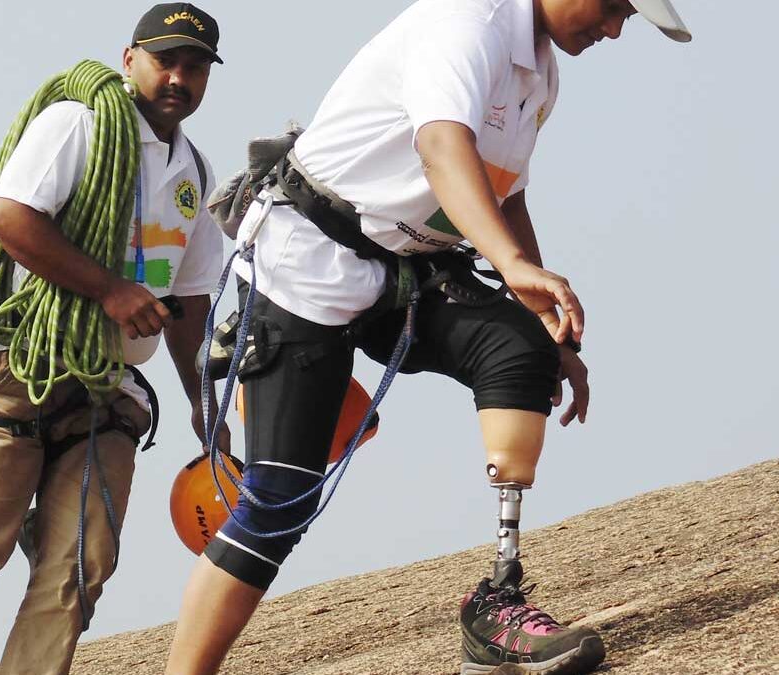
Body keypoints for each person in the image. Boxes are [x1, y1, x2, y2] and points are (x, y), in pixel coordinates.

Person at [166, 1, 691, 674]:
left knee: (520, 348)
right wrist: (515, 268)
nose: (616, 27)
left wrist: (541, 319)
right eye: (615, 5)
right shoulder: (465, 27)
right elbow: (442, 150)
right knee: (279, 501)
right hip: (307, 266)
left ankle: (497, 606)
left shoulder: (541, 75)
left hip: (403, 277)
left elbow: (503, 197)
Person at [0, 4, 228, 674]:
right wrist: (110, 290)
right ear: (130, 60)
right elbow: (8, 218)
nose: (178, 76)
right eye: (165, 60)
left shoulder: (194, 174)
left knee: (81, 566)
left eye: (195, 66)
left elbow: (191, 301)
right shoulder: (79, 125)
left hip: (109, 390)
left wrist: (203, 400)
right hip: (20, 369)